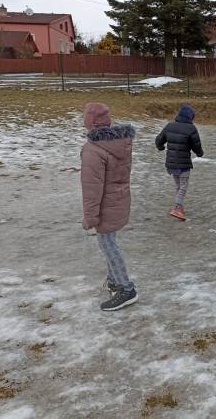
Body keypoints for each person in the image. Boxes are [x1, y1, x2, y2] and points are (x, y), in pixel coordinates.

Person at [81, 102, 138, 312]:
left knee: (108, 245)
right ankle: (115, 281)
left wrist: (90, 217)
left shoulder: (93, 150)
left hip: (106, 205)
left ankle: (126, 288)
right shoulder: (119, 142)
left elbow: (91, 189)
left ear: (90, 122)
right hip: (120, 201)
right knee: (110, 241)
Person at [155, 104, 204, 221]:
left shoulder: (169, 126)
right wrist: (200, 153)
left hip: (171, 164)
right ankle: (177, 208)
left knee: (178, 186)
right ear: (190, 117)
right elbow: (196, 146)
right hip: (183, 164)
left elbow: (158, 140)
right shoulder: (191, 129)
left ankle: (179, 207)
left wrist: (161, 147)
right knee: (183, 186)